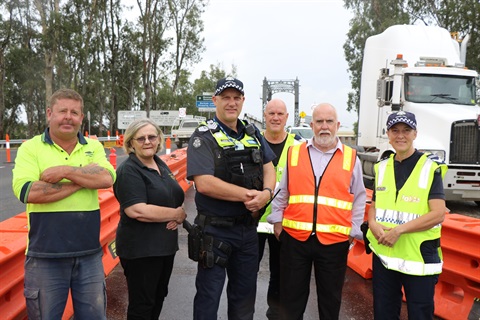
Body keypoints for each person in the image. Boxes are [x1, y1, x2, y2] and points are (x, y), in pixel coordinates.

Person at [12, 88, 116, 319]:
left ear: (81, 117)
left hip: (89, 255)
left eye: (74, 112)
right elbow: (28, 191)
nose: (68, 116)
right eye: (62, 111)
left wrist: (65, 171)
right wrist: (83, 179)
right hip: (44, 257)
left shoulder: (93, 147)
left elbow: (107, 178)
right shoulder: (31, 148)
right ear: (50, 113)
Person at [187, 76, 276, 320]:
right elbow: (204, 183)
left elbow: (269, 168)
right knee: (208, 298)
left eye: (236, 98)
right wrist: (250, 196)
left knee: (244, 298)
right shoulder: (203, 137)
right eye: (225, 97)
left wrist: (266, 195)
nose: (231, 103)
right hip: (215, 232)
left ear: (243, 101)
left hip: (247, 232)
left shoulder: (252, 132)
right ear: (215, 100)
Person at [268, 102, 366, 320]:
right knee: (291, 301)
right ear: (312, 125)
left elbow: (359, 199)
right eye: (319, 121)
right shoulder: (295, 153)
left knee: (330, 303)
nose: (324, 127)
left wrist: (353, 231)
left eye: (329, 121)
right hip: (294, 240)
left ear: (337, 125)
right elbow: (282, 192)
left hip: (334, 243)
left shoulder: (351, 158)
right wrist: (277, 222)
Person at [366, 111, 446, 319]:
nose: (400, 135)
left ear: (415, 134)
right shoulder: (381, 167)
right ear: (388, 134)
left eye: (406, 130)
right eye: (395, 130)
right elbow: (375, 204)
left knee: (420, 314)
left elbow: (438, 214)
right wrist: (372, 223)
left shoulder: (430, 168)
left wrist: (399, 230)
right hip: (385, 257)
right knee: (384, 313)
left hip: (417, 257)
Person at [113, 118, 186, 320]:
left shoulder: (161, 164)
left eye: (152, 137)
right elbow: (137, 210)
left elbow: (174, 196)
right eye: (141, 138)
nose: (147, 141)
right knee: (142, 305)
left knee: (158, 297)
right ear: (130, 143)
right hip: (141, 250)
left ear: (159, 139)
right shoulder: (129, 170)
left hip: (164, 247)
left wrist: (179, 210)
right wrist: (175, 214)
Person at [257, 98, 302, 320]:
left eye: (280, 114)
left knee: (280, 274)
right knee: (245, 273)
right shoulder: (252, 141)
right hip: (252, 221)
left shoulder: (298, 146)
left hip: (284, 223)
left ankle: (274, 314)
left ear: (286, 118)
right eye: (271, 113)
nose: (275, 118)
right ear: (264, 116)